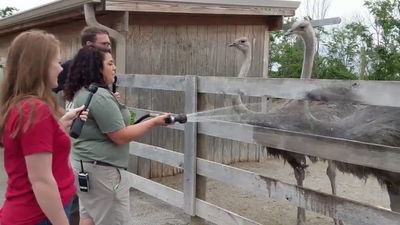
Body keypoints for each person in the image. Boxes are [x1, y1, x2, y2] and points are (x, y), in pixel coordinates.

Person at [63, 46, 171, 225]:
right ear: (97, 68)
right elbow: (120, 136)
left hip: (83, 167)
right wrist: (154, 122)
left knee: (88, 218)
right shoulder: (99, 96)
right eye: (110, 63)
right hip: (102, 173)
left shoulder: (82, 92)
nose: (114, 68)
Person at [0, 30, 88, 225]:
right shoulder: (35, 110)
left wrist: (60, 126)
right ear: (39, 66)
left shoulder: (22, 106)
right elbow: (41, 180)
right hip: (39, 216)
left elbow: (33, 146)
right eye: (56, 62)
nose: (60, 68)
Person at [53, 26, 111, 94]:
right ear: (89, 44)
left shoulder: (106, 67)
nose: (109, 48)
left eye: (109, 44)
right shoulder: (68, 67)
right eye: (104, 44)